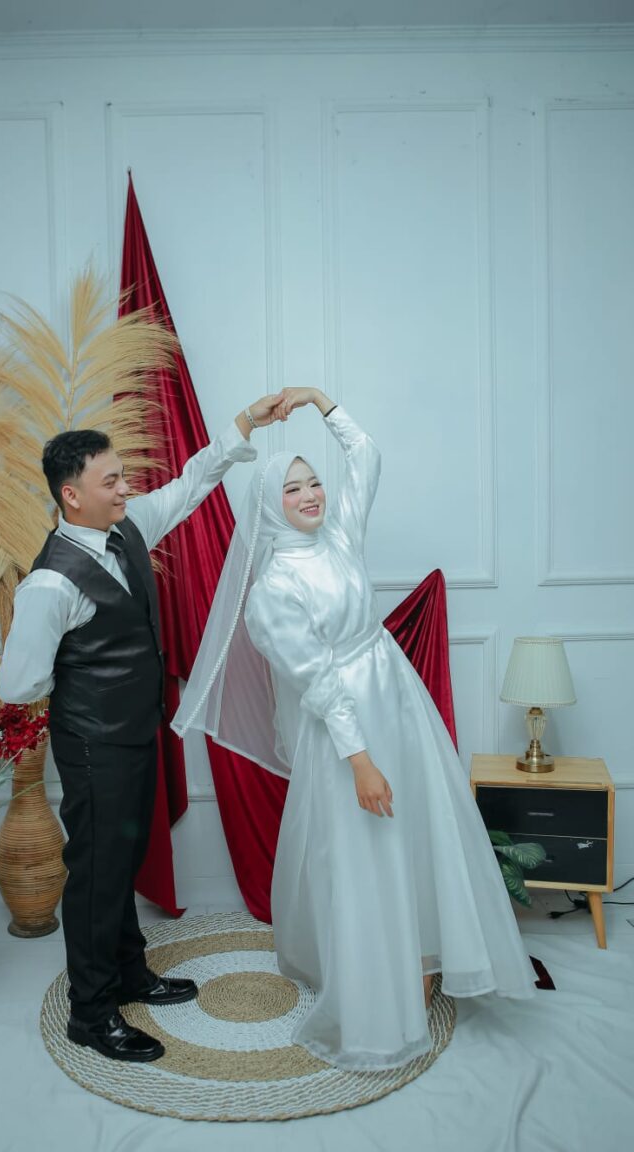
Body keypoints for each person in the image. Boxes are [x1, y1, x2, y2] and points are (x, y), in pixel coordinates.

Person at [173, 386, 536, 1072]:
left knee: (415, 825)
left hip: (396, 699)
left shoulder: (338, 536)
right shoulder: (272, 592)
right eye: (293, 489)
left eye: (314, 483)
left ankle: (423, 951)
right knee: (363, 842)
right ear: (269, 507)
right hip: (345, 728)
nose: (311, 495)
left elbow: (366, 456)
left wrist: (322, 403)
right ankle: (376, 971)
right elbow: (317, 683)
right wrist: (361, 760)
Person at [0, 392, 282, 1062]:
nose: (126, 488)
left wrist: (245, 424)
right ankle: (91, 1014)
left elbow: (189, 485)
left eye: (123, 476)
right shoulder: (49, 585)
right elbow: (18, 685)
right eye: (111, 481)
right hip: (92, 747)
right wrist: (88, 691)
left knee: (119, 861)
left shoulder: (127, 526)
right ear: (71, 496)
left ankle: (128, 972)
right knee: (96, 874)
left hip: (133, 736)